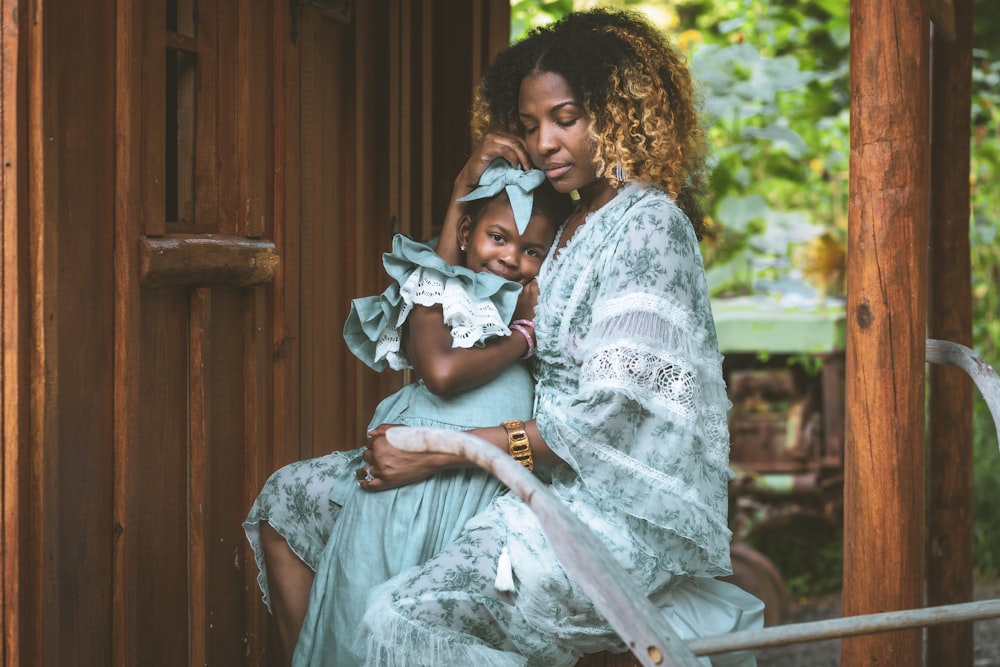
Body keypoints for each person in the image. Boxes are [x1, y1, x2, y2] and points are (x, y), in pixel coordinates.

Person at [353, 9, 765, 667]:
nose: (544, 141)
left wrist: (443, 449)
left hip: (616, 520)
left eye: (566, 118)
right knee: (322, 519)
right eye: (529, 125)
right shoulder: (571, 227)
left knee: (395, 620)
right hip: (548, 490)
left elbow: (602, 425)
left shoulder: (646, 226)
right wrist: (464, 195)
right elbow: (454, 328)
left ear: (620, 111)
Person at [243, 160, 572, 666]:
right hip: (418, 457)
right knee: (359, 579)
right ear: (466, 233)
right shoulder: (449, 292)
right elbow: (440, 372)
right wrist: (521, 337)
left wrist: (529, 324)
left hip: (485, 473)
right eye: (498, 238)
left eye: (531, 251)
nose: (510, 259)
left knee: (416, 613)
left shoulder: (543, 299)